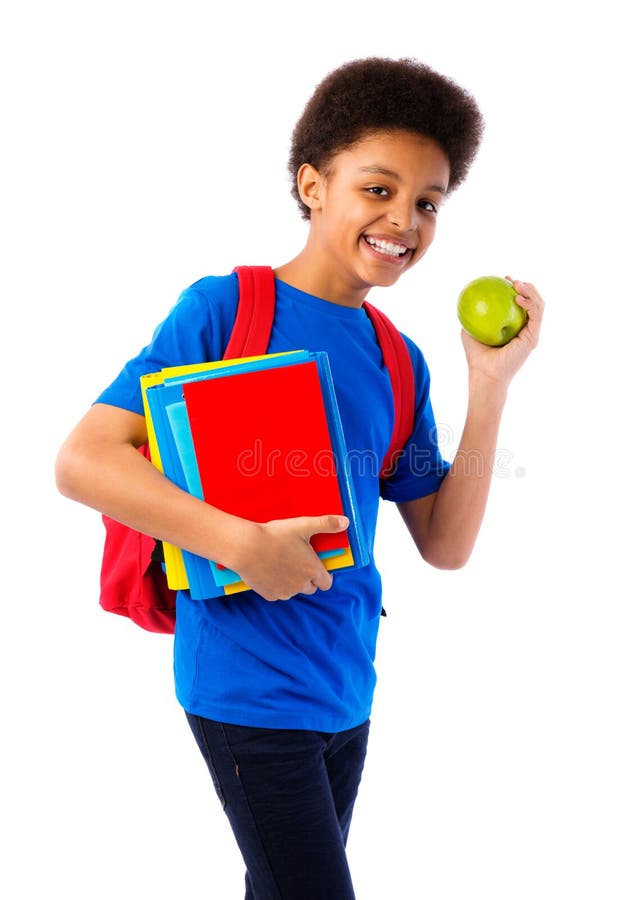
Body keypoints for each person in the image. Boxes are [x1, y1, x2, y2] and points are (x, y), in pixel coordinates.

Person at [55, 57, 544, 899]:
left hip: (346, 685)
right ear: (312, 185)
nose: (405, 220)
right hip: (247, 684)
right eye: (378, 189)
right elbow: (83, 459)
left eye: (427, 203)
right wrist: (244, 545)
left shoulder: (396, 358)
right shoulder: (225, 309)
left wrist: (490, 382)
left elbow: (446, 542)